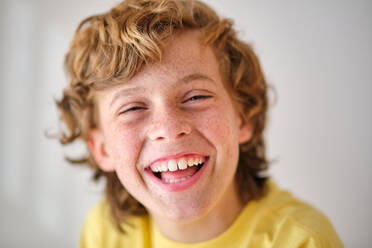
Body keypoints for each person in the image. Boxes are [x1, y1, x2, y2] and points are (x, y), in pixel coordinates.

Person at [56, 0, 343, 247]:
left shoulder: (302, 240)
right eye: (132, 107)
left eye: (195, 97)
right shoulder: (104, 232)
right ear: (102, 149)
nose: (169, 129)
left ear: (243, 118)